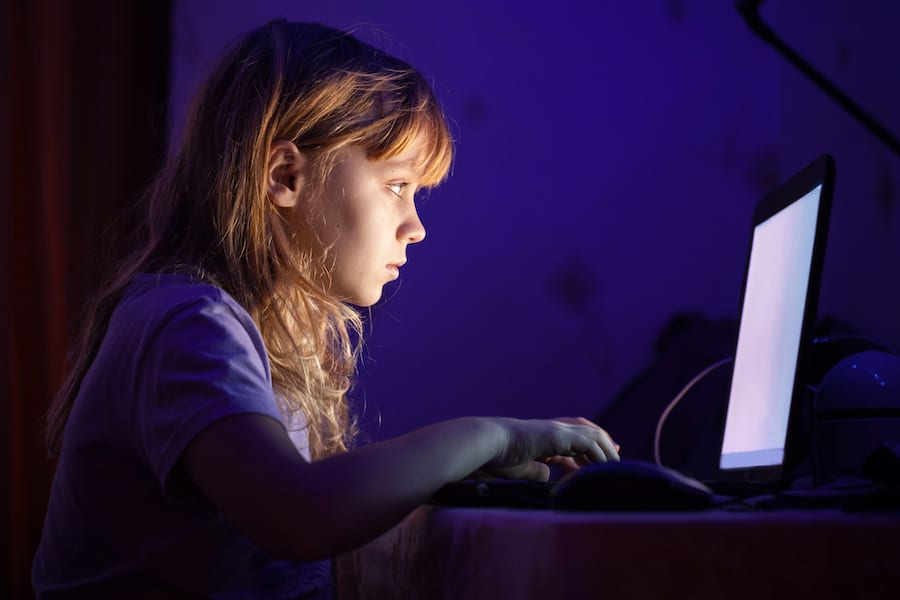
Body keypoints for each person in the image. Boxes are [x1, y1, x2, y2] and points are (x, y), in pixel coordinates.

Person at [32, 19, 619, 599]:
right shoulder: (188, 325)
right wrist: (489, 437)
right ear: (285, 175)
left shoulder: (236, 328)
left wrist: (449, 472)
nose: (416, 227)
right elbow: (299, 512)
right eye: (396, 185)